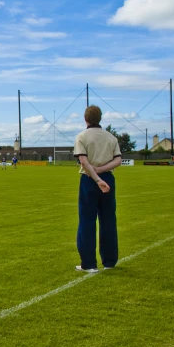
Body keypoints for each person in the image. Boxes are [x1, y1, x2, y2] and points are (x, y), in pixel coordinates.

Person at [73, 105, 122, 273]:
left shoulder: (82, 137)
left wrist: (96, 176)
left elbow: (84, 162)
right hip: (108, 179)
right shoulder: (111, 137)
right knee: (108, 219)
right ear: (100, 118)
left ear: (85, 119)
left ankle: (89, 263)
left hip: (89, 180)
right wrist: (102, 173)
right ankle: (109, 261)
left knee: (87, 220)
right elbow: (118, 160)